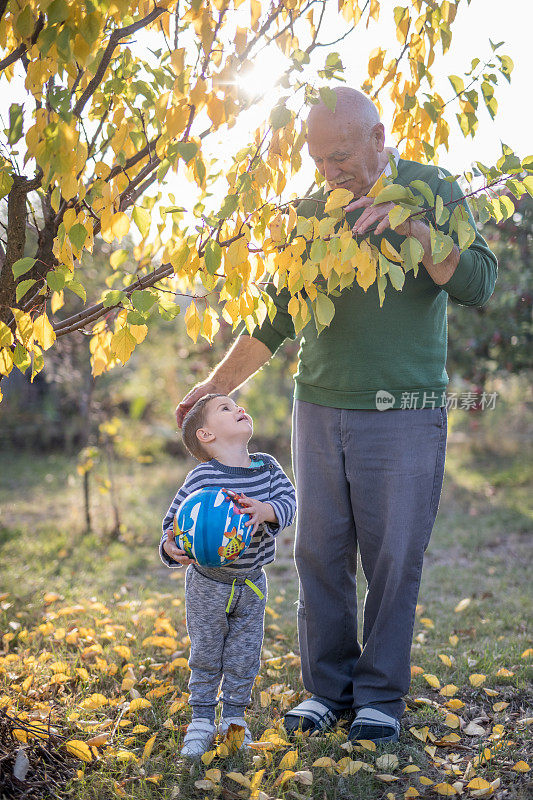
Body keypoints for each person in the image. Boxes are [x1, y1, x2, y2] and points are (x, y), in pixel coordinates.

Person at [175, 87, 498, 745]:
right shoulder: (311, 210)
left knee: (391, 557)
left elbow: (478, 282)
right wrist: (214, 383)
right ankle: (326, 689)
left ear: (378, 137)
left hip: (401, 411)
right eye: (319, 160)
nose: (329, 172)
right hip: (318, 405)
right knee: (318, 555)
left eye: (341, 156)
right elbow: (276, 315)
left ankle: (379, 696)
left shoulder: (432, 188)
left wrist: (410, 226)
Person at [160, 393, 296, 757]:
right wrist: (170, 546)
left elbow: (289, 501)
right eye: (226, 408)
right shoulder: (202, 477)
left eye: (237, 405)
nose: (239, 409)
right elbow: (173, 522)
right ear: (206, 435)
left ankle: (234, 718)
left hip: (251, 582)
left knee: (244, 654)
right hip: (207, 583)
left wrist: (266, 509)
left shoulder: (267, 468)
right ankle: (202, 720)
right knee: (206, 652)